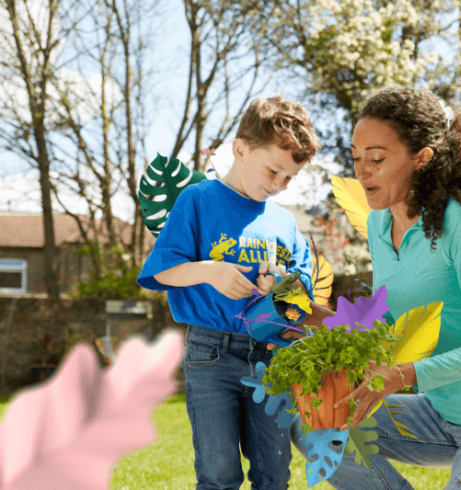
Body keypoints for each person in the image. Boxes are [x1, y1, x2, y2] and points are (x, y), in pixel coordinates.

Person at [293, 87, 461, 490]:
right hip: (439, 415)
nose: (361, 172)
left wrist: (406, 374)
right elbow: (392, 322)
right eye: (357, 157)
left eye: (377, 159)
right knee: (319, 426)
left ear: (421, 159)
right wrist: (315, 316)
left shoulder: (460, 221)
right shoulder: (381, 224)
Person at [138, 95, 326, 490]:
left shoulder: (284, 222)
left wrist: (279, 288)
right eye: (273, 170)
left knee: (273, 473)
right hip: (211, 355)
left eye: (289, 178)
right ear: (241, 149)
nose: (278, 185)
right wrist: (211, 271)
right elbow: (162, 270)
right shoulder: (198, 200)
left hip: (273, 357)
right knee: (219, 472)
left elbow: (302, 295)